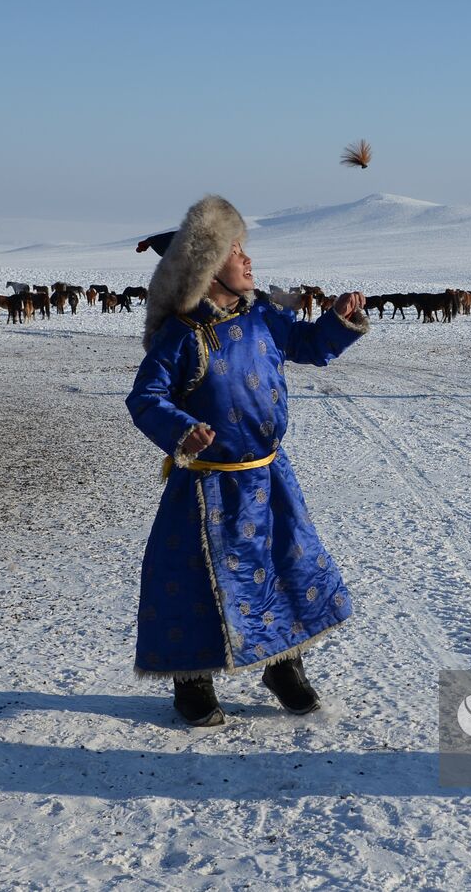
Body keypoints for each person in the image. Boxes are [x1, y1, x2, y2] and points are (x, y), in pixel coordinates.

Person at [125, 194, 369, 728]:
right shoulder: (182, 336)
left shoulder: (263, 316)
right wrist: (183, 431)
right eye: (236, 252)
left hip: (269, 476)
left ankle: (283, 666)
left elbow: (308, 344)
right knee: (194, 582)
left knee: (286, 566)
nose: (248, 259)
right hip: (207, 488)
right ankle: (191, 681)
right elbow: (145, 398)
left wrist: (337, 323)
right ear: (208, 269)